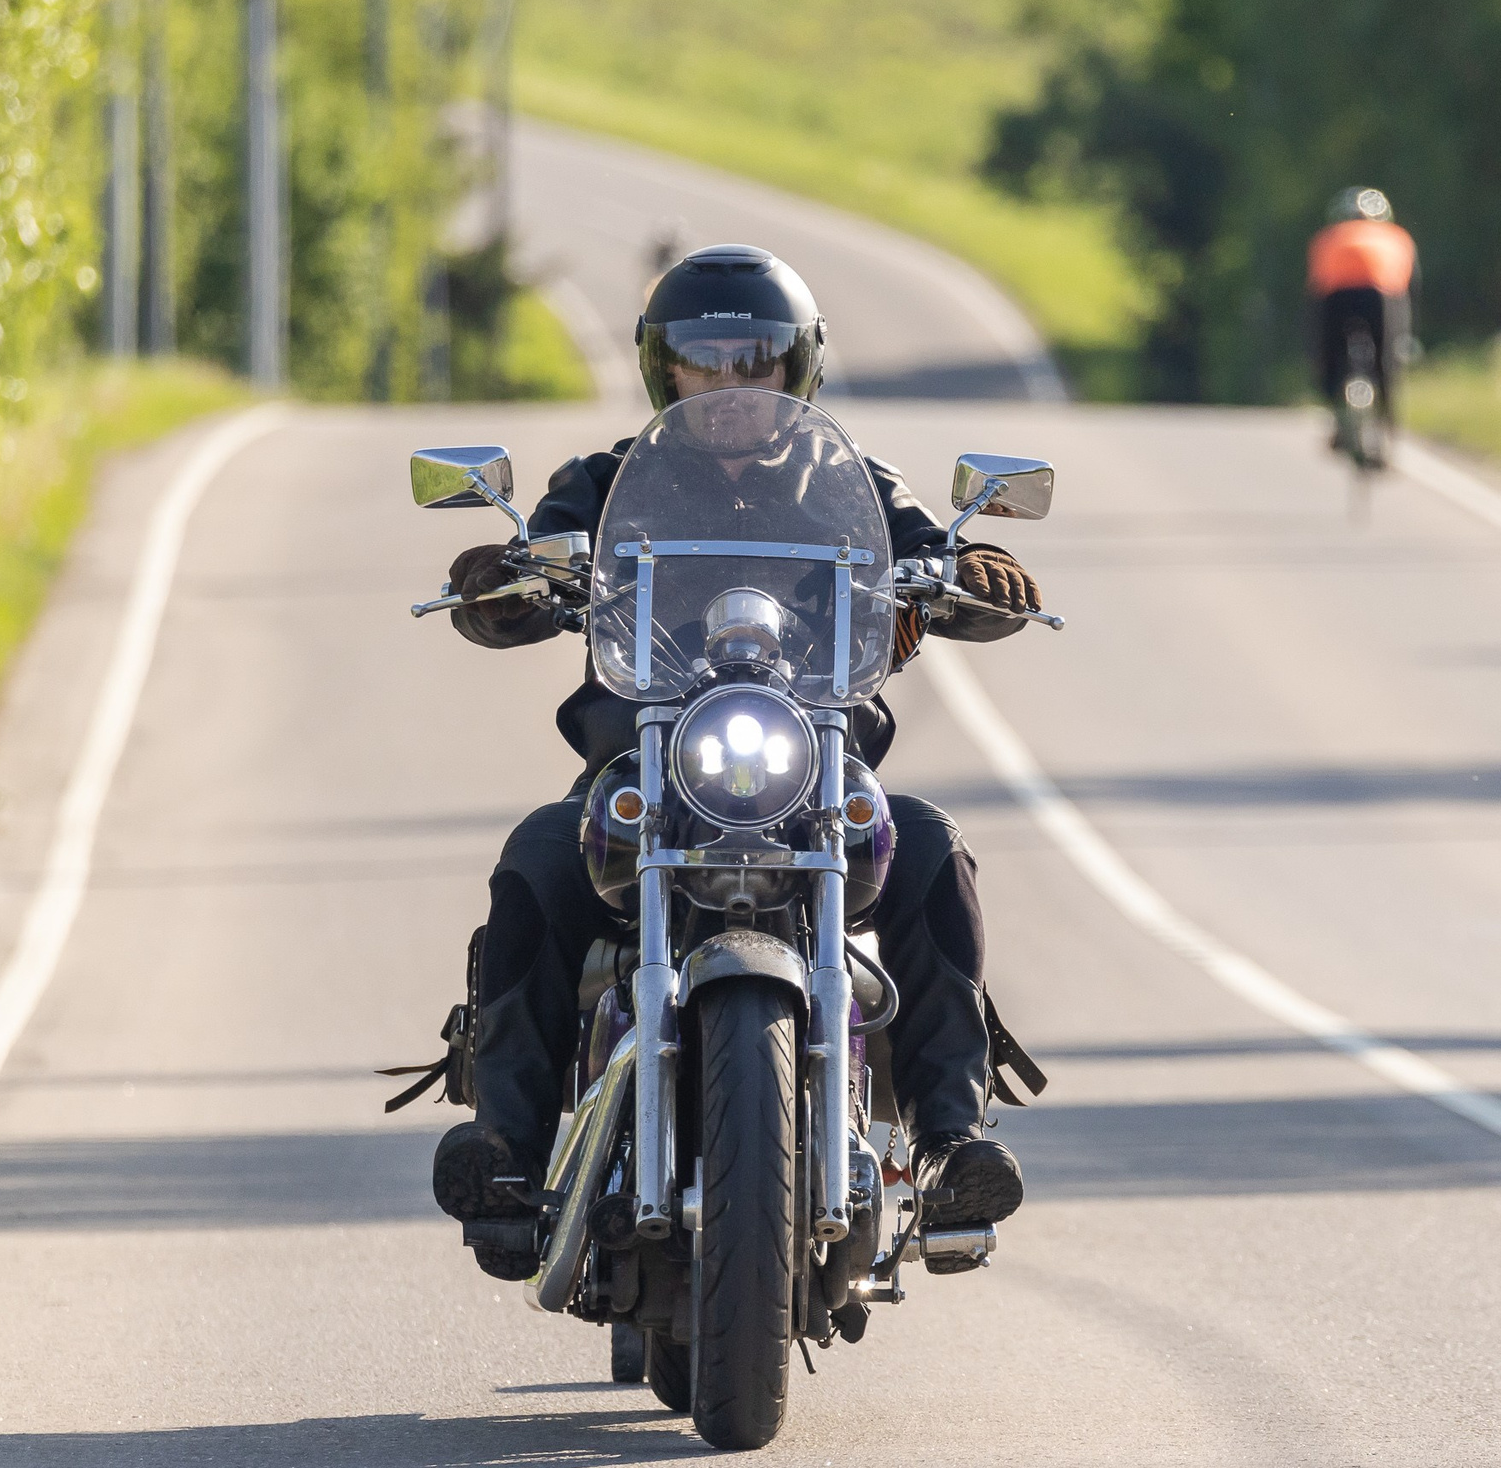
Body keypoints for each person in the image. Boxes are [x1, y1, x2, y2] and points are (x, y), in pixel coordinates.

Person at [428, 244, 1045, 1279]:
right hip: (649, 764)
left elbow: (943, 555)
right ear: (663, 369)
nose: (727, 384)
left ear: (794, 368)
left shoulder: (848, 482)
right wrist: (505, 576)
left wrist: (976, 572)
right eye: (702, 361)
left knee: (931, 845)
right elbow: (527, 567)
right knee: (541, 851)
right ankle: (509, 1147)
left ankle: (949, 1144)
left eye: (753, 359)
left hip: (811, 771)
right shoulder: (610, 480)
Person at [1307, 187, 1417, 434]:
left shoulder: (1329, 237)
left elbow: (1316, 287)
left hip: (1337, 298)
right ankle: (1389, 416)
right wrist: (1404, 336)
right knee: (1388, 357)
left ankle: (1334, 405)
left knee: (1328, 351)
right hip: (1381, 296)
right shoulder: (1397, 236)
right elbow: (1409, 287)